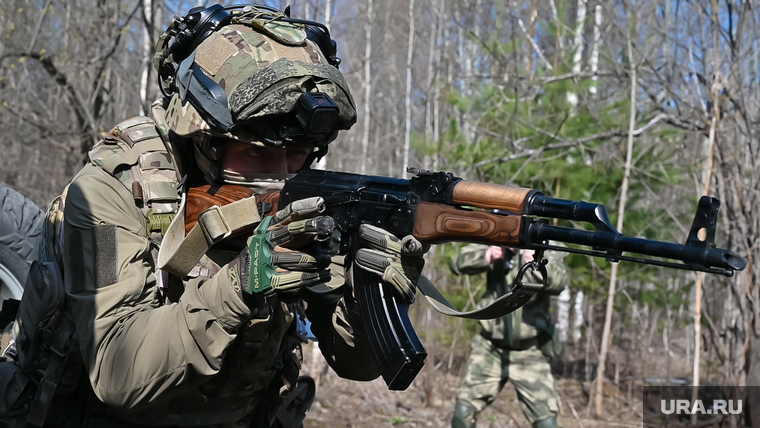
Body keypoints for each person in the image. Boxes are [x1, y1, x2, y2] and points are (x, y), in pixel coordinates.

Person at [0, 4, 428, 427]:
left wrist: (364, 294)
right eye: (257, 154)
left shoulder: (306, 201)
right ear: (204, 141)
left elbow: (355, 363)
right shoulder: (107, 195)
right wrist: (238, 284)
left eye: (296, 154)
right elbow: (117, 371)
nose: (280, 177)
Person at [450, 244, 568, 428]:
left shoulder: (545, 241)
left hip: (530, 352)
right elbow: (456, 263)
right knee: (463, 414)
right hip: (490, 348)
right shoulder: (495, 235)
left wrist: (538, 263)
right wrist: (488, 254)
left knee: (547, 423)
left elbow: (560, 282)